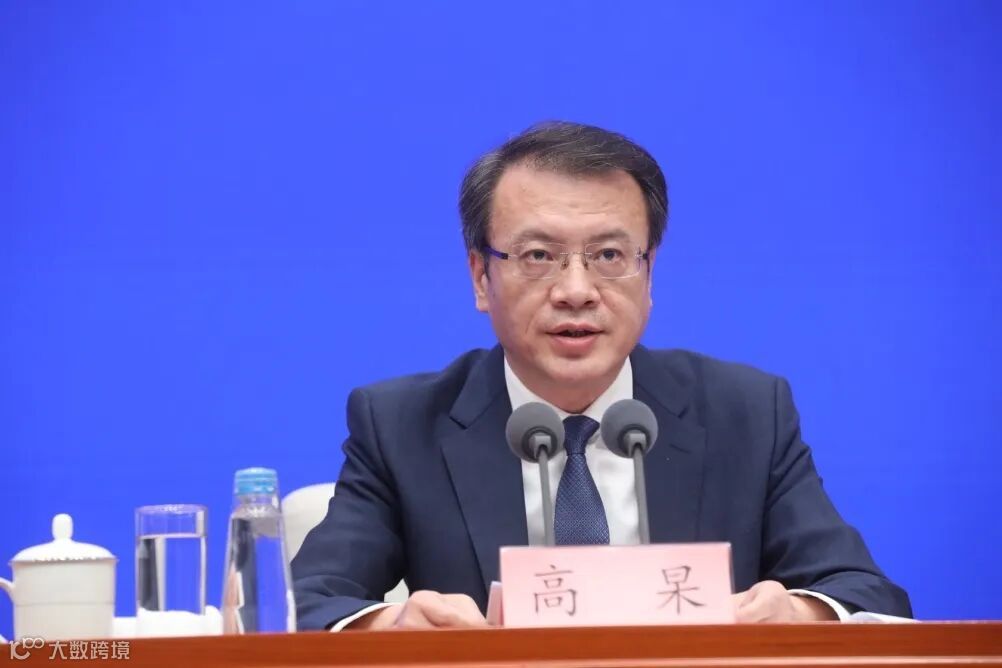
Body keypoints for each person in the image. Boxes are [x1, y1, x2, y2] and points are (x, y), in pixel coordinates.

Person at [292, 121, 911, 631]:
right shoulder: (402, 427)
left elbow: (867, 596)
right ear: (482, 277)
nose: (576, 290)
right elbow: (305, 604)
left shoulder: (746, 413)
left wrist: (801, 614)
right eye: (539, 256)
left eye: (609, 255)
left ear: (649, 273)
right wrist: (390, 625)